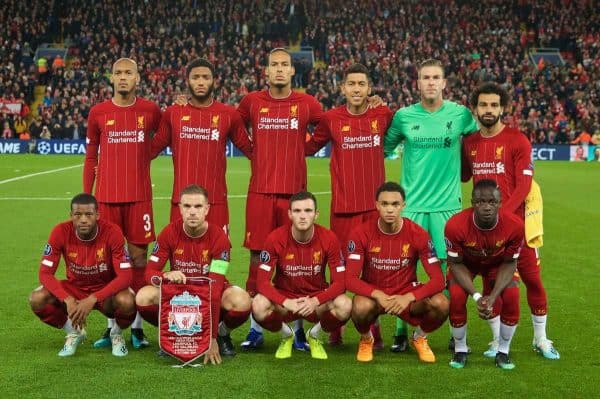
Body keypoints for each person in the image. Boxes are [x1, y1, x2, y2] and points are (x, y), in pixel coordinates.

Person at [383, 59, 478, 352]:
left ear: (445, 82)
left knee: (453, 272)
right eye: (426, 77)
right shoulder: (403, 116)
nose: (431, 82)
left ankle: (455, 331)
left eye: (436, 77)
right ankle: (400, 332)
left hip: (448, 208)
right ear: (418, 83)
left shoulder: (460, 114)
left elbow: (479, 144)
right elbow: (382, 148)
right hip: (410, 208)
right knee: (403, 270)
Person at [462, 82, 560, 360]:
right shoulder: (469, 143)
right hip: (484, 230)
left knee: (533, 281)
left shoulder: (518, 140)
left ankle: (541, 339)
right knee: (492, 286)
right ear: (475, 109)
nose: (489, 109)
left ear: (503, 108)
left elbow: (524, 184)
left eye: (494, 105)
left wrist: (504, 216)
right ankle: (496, 340)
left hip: (518, 227)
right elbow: (463, 175)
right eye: (483, 105)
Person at [237, 48, 323, 351]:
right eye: (274, 65)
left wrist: (307, 149)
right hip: (260, 192)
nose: (279, 70)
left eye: (284, 65)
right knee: (256, 258)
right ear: (266, 71)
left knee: (295, 261)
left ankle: (298, 329)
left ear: (291, 71)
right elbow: (233, 126)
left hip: (293, 195)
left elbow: (329, 126)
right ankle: (255, 328)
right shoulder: (252, 102)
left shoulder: (307, 103)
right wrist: (251, 151)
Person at [305, 63, 392, 347]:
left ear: (370, 89)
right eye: (351, 84)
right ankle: (335, 326)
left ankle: (373, 328)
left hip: (373, 210)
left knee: (373, 271)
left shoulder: (383, 114)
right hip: (343, 208)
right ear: (342, 88)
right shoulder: (331, 119)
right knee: (340, 270)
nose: (356, 89)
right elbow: (306, 147)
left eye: (361, 84)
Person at [83, 57, 161, 350]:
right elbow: (91, 156)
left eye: (129, 72)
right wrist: (87, 196)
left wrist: (146, 155)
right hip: (105, 199)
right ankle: (112, 326)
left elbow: (168, 134)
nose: (123, 77)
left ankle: (138, 329)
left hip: (140, 199)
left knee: (140, 261)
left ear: (138, 78)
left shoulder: (150, 111)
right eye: (118, 73)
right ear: (111, 78)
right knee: (110, 265)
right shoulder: (98, 112)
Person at [135, 185, 251, 363]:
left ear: (207, 209)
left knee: (242, 300)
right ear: (180, 208)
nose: (192, 212)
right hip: (179, 295)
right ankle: (172, 335)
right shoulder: (168, 233)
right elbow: (150, 273)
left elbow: (215, 286)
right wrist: (165, 276)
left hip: (210, 294)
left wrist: (211, 339)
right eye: (187, 206)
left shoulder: (220, 238)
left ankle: (222, 334)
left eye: (198, 207)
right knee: (144, 296)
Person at [345, 182, 449, 363]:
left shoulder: (419, 234)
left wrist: (409, 297)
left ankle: (419, 337)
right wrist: (377, 294)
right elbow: (350, 279)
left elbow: (438, 280)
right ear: (376, 205)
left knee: (441, 303)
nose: (390, 210)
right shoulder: (361, 233)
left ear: (403, 206)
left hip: (405, 293)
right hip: (375, 294)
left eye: (395, 204)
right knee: (360, 307)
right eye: (384, 204)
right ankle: (366, 338)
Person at [150, 58, 253, 231]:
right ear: (187, 80)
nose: (200, 82)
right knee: (180, 256)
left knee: (218, 257)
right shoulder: (173, 113)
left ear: (214, 80)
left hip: (215, 202)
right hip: (181, 203)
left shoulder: (228, 115)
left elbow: (253, 152)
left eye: (205, 77)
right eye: (195, 77)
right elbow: (149, 151)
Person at [28, 193, 135, 357]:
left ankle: (116, 334)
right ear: (71, 216)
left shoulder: (112, 232)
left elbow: (126, 276)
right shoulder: (60, 231)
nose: (83, 219)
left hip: (105, 292)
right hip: (75, 289)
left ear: (97, 215)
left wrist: (93, 298)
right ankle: (74, 331)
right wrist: (67, 299)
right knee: (37, 298)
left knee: (127, 301)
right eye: (78, 215)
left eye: (89, 214)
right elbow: (45, 273)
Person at [252, 191, 351, 360]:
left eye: (308, 211)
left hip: (316, 300)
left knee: (345, 304)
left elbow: (340, 283)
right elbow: (261, 282)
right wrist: (285, 301)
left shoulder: (329, 238)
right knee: (259, 304)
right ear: (289, 214)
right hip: (286, 300)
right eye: (297, 211)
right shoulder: (275, 238)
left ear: (316, 214)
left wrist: (316, 301)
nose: (303, 216)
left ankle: (314, 335)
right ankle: (286, 335)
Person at [445, 179, 523, 370]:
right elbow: (455, 264)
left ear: (500, 202)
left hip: (497, 265)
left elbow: (510, 262)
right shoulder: (455, 225)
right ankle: (460, 349)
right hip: (466, 265)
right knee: (456, 295)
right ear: (472, 203)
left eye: (491, 202)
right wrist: (477, 296)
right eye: (480, 202)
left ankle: (503, 352)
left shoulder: (515, 225)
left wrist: (493, 296)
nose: (486, 207)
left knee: (512, 294)